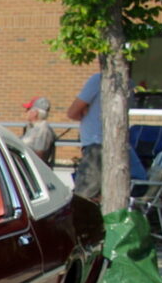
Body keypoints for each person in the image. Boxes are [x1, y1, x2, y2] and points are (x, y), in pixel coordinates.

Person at [67, 72, 146, 200]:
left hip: (96, 144)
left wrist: (85, 111)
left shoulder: (99, 79)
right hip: (118, 145)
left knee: (84, 196)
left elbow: (72, 112)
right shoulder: (129, 83)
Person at [21, 96, 56, 165]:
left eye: (28, 109)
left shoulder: (43, 130)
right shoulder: (32, 128)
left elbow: (40, 155)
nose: (26, 112)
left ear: (35, 113)